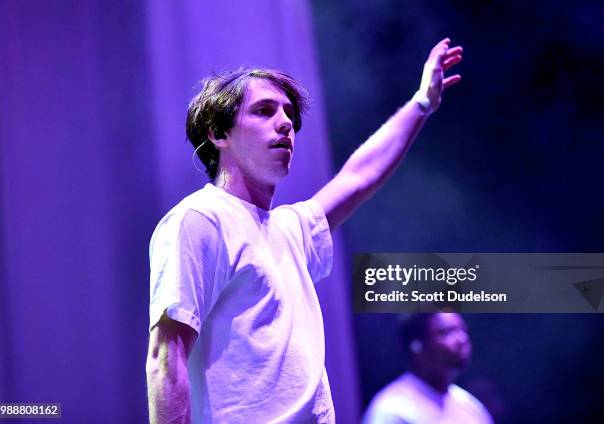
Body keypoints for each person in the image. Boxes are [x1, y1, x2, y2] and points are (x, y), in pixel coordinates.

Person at [146, 38, 463, 423]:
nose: (285, 124)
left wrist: (422, 103)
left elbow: (359, 177)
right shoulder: (199, 219)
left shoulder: (288, 229)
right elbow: (166, 358)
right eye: (263, 111)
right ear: (218, 132)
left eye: (289, 116)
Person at [362, 313, 494, 424]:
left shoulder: (470, 406)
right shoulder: (392, 412)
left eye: (462, 330)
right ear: (416, 346)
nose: (461, 339)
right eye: (446, 332)